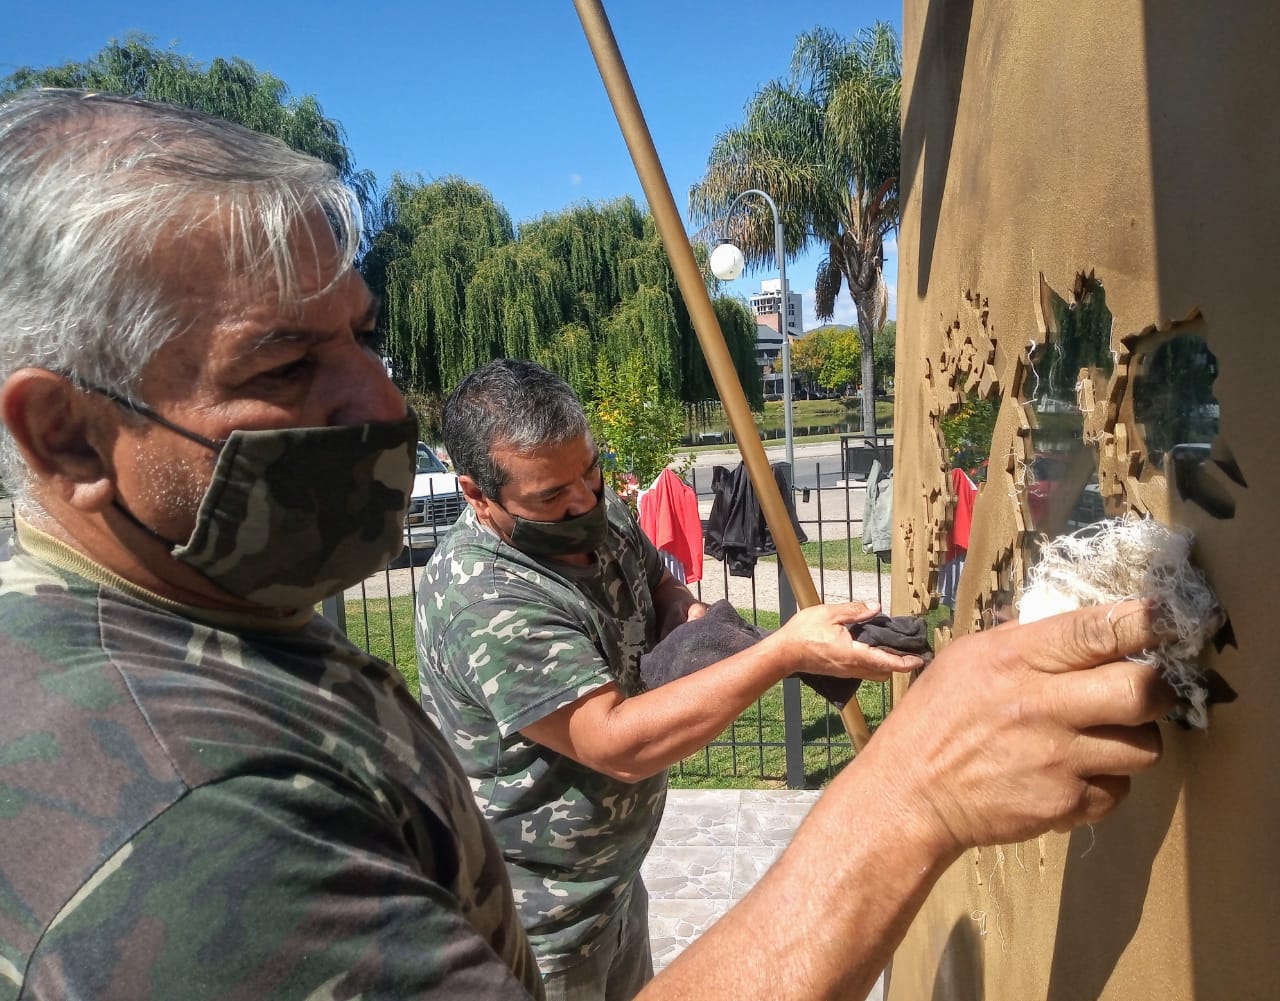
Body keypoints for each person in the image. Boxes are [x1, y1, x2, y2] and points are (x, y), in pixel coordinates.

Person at [0, 89, 1177, 1001]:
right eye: (280, 365)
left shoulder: (214, 601)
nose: (376, 403)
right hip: (547, 905)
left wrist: (796, 643)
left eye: (362, 334)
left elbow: (664, 607)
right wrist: (909, 788)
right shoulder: (182, 807)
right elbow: (610, 738)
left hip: (597, 893)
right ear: (66, 433)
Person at [415, 359, 925, 998]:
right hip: (533, 923)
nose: (582, 501)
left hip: (610, 888)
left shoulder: (599, 508)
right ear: (477, 494)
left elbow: (656, 580)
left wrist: (690, 618)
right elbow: (616, 744)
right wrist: (781, 654)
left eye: (590, 472)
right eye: (550, 496)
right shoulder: (482, 594)